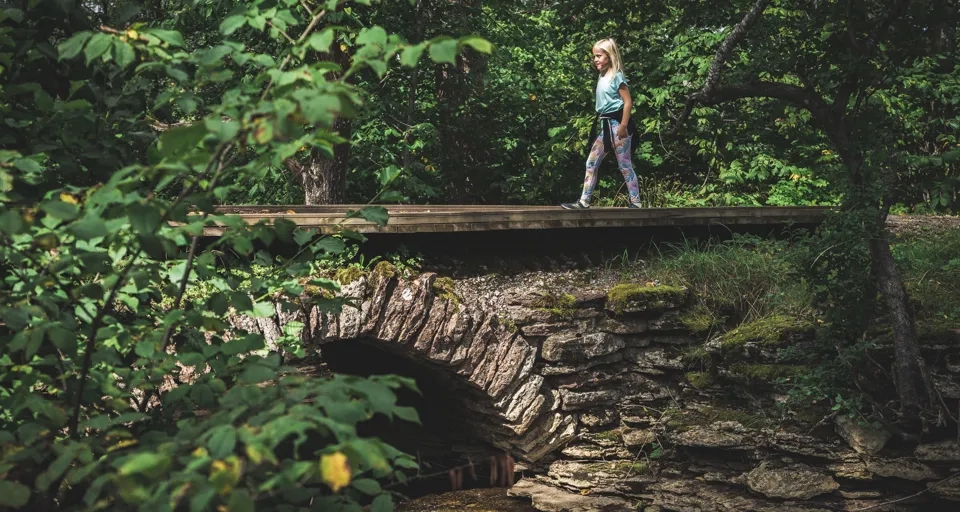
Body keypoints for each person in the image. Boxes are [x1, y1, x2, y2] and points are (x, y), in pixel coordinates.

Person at [561, 38, 642, 210]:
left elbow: (627, 102)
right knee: (591, 162)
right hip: (606, 127)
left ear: (610, 56)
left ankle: (636, 202)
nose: (595, 60)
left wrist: (623, 126)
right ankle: (584, 201)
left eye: (599, 56)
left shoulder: (617, 76)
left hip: (618, 126)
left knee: (624, 164)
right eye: (594, 56)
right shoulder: (602, 75)